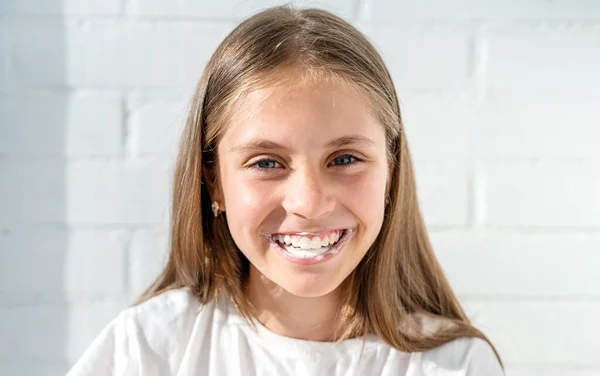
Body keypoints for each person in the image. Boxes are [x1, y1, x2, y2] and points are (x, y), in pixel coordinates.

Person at [67, 5, 504, 376]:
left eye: (345, 159)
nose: (309, 203)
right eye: (267, 163)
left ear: (391, 171)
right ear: (213, 181)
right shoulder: (149, 349)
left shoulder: (456, 365)